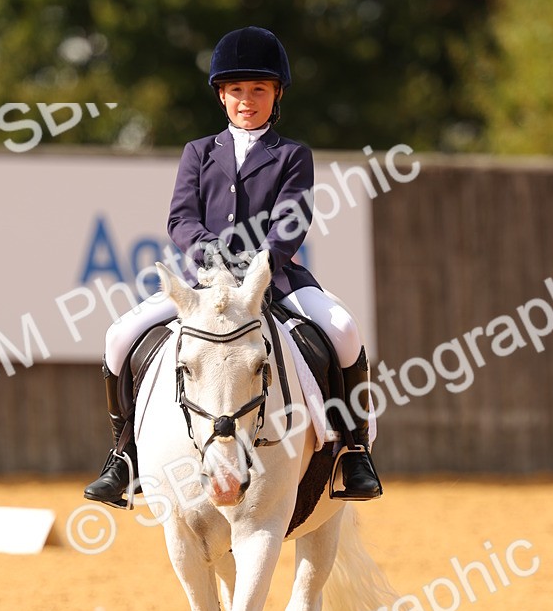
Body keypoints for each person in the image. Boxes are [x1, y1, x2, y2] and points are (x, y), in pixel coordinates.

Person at [84, 25, 382, 505]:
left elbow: (292, 219)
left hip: (276, 281)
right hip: (204, 284)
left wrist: (263, 261)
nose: (248, 99)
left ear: (275, 94)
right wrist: (211, 254)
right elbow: (181, 218)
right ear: (222, 96)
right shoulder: (198, 153)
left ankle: (354, 450)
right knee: (119, 337)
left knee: (344, 330)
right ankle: (123, 457)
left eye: (258, 90)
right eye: (237, 90)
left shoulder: (291, 155)